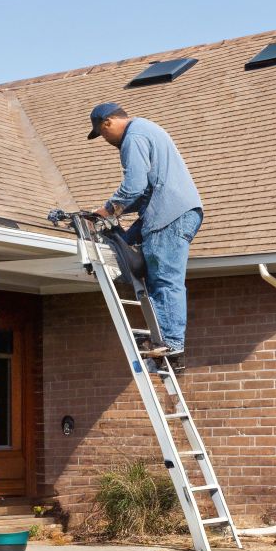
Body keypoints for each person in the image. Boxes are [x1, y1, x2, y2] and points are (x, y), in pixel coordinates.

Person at [88, 102, 204, 359]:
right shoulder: (146, 130)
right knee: (120, 246)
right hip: (166, 212)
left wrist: (107, 211)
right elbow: (143, 193)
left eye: (103, 134)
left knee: (164, 278)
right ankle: (167, 342)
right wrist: (113, 215)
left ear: (107, 123)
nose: (105, 140)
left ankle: (171, 342)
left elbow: (134, 186)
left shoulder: (134, 137)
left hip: (169, 215)